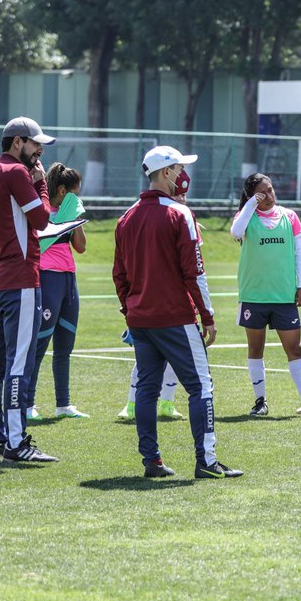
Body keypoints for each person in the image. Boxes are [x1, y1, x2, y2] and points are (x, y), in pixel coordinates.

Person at [113, 145, 240, 479]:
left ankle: (151, 461)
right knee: (201, 387)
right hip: (174, 317)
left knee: (147, 390)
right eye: (180, 168)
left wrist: (130, 309)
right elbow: (194, 272)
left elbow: (119, 274)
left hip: (141, 318)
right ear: (166, 173)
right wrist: (208, 315)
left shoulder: (126, 217)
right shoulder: (179, 214)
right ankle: (207, 461)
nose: (184, 175)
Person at [0, 116, 59, 462]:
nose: (39, 152)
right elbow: (42, 220)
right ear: (18, 142)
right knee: (18, 364)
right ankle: (17, 443)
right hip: (21, 280)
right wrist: (40, 186)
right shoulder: (17, 173)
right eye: (36, 144)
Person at [117, 170, 196, 421]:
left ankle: (167, 402)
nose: (181, 199)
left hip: (177, 303)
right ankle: (131, 403)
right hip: (151, 302)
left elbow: (192, 266)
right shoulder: (149, 215)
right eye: (179, 194)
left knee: (172, 361)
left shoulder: (184, 217)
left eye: (184, 195)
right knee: (145, 363)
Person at [231, 173, 301, 417]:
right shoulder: (247, 216)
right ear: (253, 195)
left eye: (271, 189)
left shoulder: (289, 216)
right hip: (254, 295)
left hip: (284, 296)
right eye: (263, 192)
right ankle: (260, 401)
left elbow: (299, 254)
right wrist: (252, 203)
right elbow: (236, 232)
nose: (270, 195)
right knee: (256, 349)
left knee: (294, 349)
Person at [24, 162, 89, 420]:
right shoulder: (43, 212)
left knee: (65, 345)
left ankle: (63, 404)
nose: (79, 198)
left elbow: (81, 247)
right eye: (76, 193)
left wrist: (75, 220)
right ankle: (27, 404)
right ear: (63, 190)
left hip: (69, 280)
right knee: (40, 344)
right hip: (48, 278)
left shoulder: (69, 213)